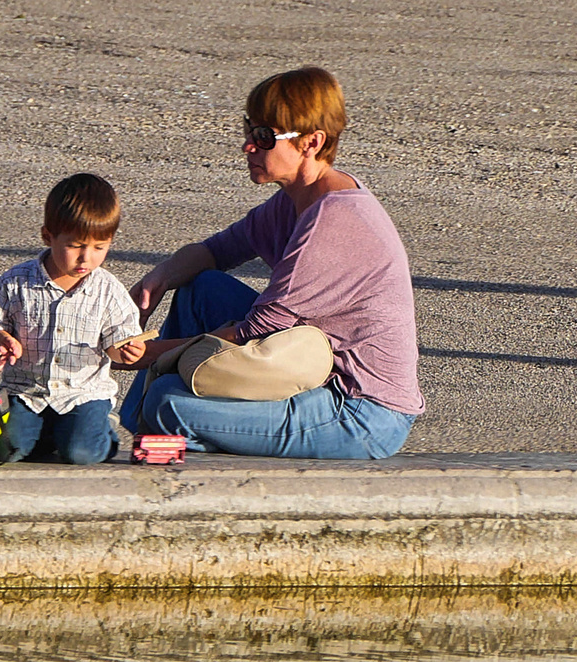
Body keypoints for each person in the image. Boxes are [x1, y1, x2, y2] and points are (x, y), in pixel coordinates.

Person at [123, 67, 424, 459]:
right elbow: (217, 251)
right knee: (202, 288)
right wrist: (156, 280)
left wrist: (159, 353)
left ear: (311, 142)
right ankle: (140, 429)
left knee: (168, 402)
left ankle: (159, 427)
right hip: (308, 365)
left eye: (264, 137)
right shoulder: (297, 199)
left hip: (360, 410)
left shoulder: (333, 220)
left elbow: (258, 329)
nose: (248, 146)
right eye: (248, 129)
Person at [0, 173, 146, 464]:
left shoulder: (107, 289)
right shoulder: (17, 281)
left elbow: (118, 343)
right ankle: (48, 433)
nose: (86, 258)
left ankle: (103, 430)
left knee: (81, 454)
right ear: (48, 236)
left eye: (99, 248)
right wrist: (3, 340)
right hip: (26, 391)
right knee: (6, 451)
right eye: (75, 246)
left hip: (83, 393)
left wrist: (128, 351)